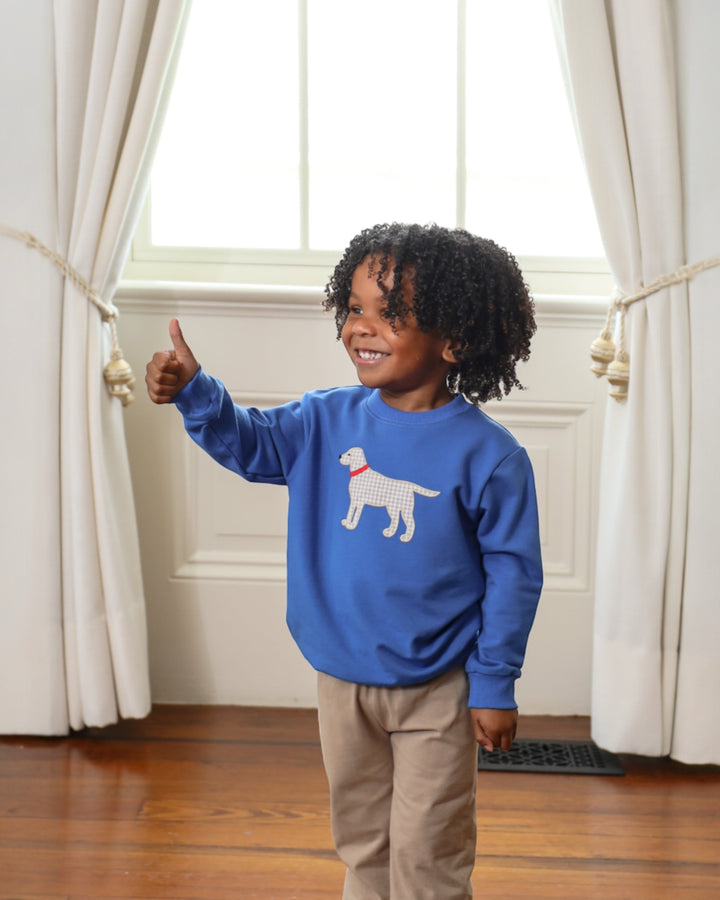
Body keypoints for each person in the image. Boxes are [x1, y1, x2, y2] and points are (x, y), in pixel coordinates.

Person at [146, 222, 543, 899]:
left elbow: (514, 575)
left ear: (454, 341)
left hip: (439, 687)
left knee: (429, 848)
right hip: (340, 678)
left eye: (391, 314)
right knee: (362, 838)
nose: (363, 326)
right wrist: (196, 390)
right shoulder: (323, 421)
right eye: (354, 307)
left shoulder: (491, 456)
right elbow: (250, 446)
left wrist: (495, 683)